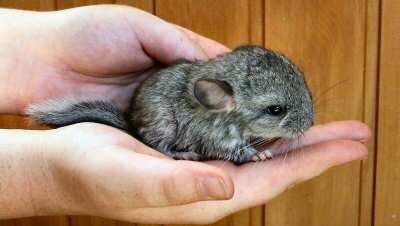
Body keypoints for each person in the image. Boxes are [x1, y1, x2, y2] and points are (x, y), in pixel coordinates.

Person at [0, 4, 370, 225]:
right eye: (276, 111)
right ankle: (167, 147)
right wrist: (50, 175)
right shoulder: (216, 116)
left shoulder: (226, 96)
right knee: (163, 123)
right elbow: (219, 142)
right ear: (220, 100)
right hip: (160, 120)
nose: (301, 124)